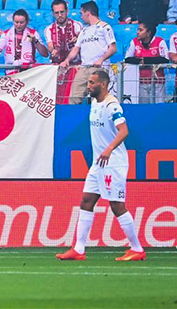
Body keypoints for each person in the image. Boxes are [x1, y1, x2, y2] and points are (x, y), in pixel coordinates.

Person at [56, 69, 146, 262]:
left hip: (113, 163)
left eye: (91, 83)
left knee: (116, 205)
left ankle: (137, 248)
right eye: (88, 82)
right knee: (87, 200)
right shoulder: (94, 103)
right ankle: (78, 249)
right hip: (98, 164)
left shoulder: (111, 105)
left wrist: (109, 149)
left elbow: (124, 131)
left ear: (102, 84)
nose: (88, 86)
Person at [59, 2, 118, 105]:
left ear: (87, 13)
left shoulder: (104, 27)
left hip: (99, 68)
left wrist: (101, 59)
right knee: (74, 97)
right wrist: (67, 60)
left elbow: (113, 48)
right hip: (84, 68)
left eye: (81, 13)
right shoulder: (84, 31)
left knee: (98, 99)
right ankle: (73, 119)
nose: (81, 17)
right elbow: (76, 48)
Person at [45, 0, 83, 103]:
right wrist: (52, 50)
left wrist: (78, 38)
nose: (60, 15)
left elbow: (81, 37)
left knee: (73, 97)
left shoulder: (77, 25)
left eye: (62, 12)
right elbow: (49, 45)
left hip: (75, 66)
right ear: (53, 14)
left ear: (67, 11)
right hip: (57, 68)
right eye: (57, 13)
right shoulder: (49, 29)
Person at [123, 22, 169, 103]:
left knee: (158, 108)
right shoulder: (134, 42)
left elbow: (165, 59)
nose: (137, 32)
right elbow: (127, 58)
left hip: (158, 83)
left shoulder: (159, 41)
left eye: (141, 30)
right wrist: (142, 61)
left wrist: (146, 61)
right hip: (141, 82)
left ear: (148, 33)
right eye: (138, 30)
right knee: (143, 108)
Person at [0, 9, 47, 74]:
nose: (19, 25)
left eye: (21, 22)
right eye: (16, 22)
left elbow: (45, 54)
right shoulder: (6, 34)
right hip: (10, 70)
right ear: (13, 21)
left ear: (27, 22)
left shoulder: (33, 33)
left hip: (28, 71)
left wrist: (35, 41)